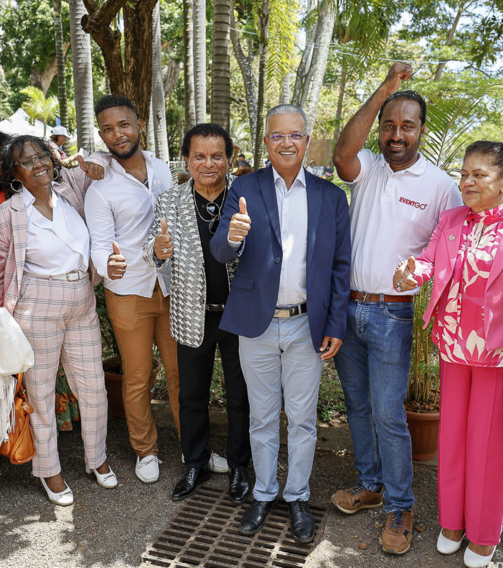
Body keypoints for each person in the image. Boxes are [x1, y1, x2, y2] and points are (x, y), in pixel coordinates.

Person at [392, 141, 503, 568]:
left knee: (490, 445)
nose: (467, 182)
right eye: (465, 173)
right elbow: (429, 262)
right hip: (453, 349)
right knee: (452, 440)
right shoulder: (451, 220)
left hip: (500, 354)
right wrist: (410, 271)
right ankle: (452, 522)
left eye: (480, 175)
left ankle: (486, 531)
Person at [330, 61, 462, 555]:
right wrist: (385, 88)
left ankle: (401, 506)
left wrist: (423, 276)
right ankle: (371, 483)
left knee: (388, 412)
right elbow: (343, 153)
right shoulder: (367, 169)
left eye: (407, 125)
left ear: (422, 131)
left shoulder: (440, 186)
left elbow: (446, 252)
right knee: (358, 405)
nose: (396, 134)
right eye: (389, 125)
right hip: (347, 308)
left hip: (392, 314)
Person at [211, 104, 351, 543]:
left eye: (295, 135)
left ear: (307, 141)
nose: (286, 142)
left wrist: (336, 324)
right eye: (277, 135)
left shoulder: (330, 196)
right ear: (266, 141)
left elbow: (341, 267)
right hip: (257, 323)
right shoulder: (245, 187)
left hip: (306, 325)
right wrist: (233, 235)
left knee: (304, 419)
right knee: (263, 416)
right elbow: (220, 252)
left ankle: (297, 496)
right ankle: (265, 492)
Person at [0, 135, 115, 506]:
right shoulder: (5, 216)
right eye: (26, 161)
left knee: (93, 386)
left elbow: (105, 164)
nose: (38, 163)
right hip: (36, 302)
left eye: (42, 154)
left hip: (82, 298)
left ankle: (98, 458)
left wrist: (91, 162)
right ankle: (49, 471)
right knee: (40, 393)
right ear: (15, 173)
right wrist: (2, 319)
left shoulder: (71, 187)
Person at [142, 123, 251, 503]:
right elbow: (151, 251)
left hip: (240, 314)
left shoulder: (245, 194)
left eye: (216, 156)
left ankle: (239, 466)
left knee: (240, 394)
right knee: (192, 394)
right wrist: (158, 249)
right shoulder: (170, 200)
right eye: (199, 156)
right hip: (192, 311)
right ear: (186, 159)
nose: (208, 164)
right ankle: (195, 461)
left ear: (229, 158)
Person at [85, 95, 191, 484]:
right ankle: (146, 450)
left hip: (171, 286)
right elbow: (99, 242)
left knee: (182, 372)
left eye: (124, 125)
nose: (118, 134)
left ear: (139, 123)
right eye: (108, 129)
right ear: (101, 135)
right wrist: (106, 265)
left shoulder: (163, 170)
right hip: (128, 289)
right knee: (137, 376)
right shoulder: (101, 186)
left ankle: (191, 444)